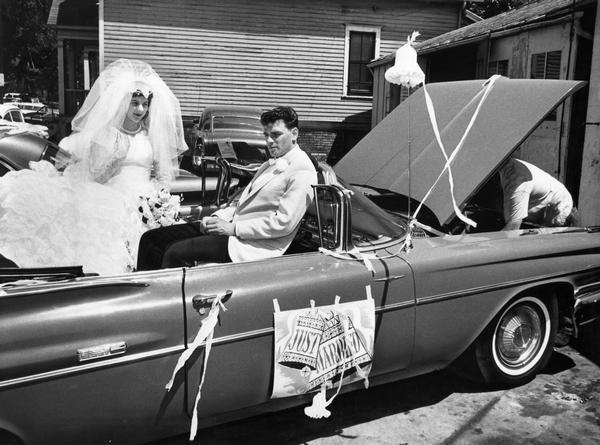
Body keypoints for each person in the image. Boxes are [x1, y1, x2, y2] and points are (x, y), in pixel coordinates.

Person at [0, 59, 187, 274]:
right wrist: (117, 156)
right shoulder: (106, 134)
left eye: (145, 104)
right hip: (111, 202)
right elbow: (96, 176)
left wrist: (159, 199)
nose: (140, 109)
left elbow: (163, 176)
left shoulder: (150, 137)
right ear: (123, 102)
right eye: (134, 103)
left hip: (146, 205)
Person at [137, 106, 318, 270]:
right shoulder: (269, 164)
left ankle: (161, 302)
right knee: (152, 239)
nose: (269, 141)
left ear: (294, 133)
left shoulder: (303, 169)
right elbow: (241, 204)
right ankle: (138, 297)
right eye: (266, 135)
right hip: (232, 230)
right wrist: (215, 218)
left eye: (276, 135)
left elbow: (283, 224)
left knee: (175, 252)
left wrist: (234, 228)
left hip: (254, 245)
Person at [499, 157, 574, 230]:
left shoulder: (516, 183)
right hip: (549, 201)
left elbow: (513, 228)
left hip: (561, 209)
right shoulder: (504, 164)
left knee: (542, 238)